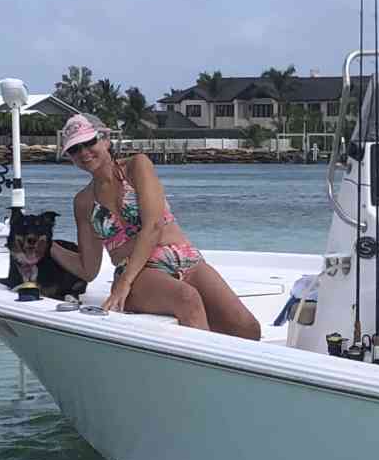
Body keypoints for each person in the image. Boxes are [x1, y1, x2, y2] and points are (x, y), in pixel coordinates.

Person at [52, 114, 261, 339]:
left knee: (246, 327)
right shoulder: (83, 202)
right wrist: (47, 245)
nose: (83, 152)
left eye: (89, 142)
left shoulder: (137, 166)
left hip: (185, 258)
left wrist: (124, 283)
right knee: (187, 299)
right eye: (75, 149)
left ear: (105, 139)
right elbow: (88, 268)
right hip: (139, 272)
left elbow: (153, 227)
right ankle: (203, 371)